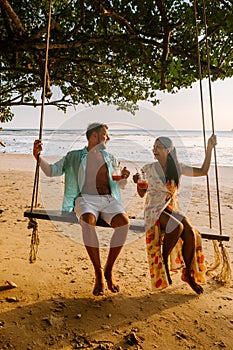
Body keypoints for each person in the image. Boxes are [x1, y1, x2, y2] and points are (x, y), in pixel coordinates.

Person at [33, 123, 130, 296]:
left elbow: (119, 185)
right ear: (94, 136)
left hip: (109, 199)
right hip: (85, 199)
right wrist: (38, 157)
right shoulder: (74, 156)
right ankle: (99, 272)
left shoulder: (111, 158)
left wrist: (123, 179)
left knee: (124, 223)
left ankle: (109, 269)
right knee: (87, 221)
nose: (108, 138)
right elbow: (51, 171)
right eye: (105, 134)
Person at [133, 134, 217, 295]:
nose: (154, 149)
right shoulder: (148, 168)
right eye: (154, 146)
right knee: (176, 227)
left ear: (168, 149)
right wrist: (137, 183)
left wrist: (209, 149)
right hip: (154, 208)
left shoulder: (177, 168)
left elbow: (203, 171)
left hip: (171, 207)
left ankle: (188, 275)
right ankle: (163, 263)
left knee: (191, 233)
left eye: (158, 147)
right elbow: (142, 194)